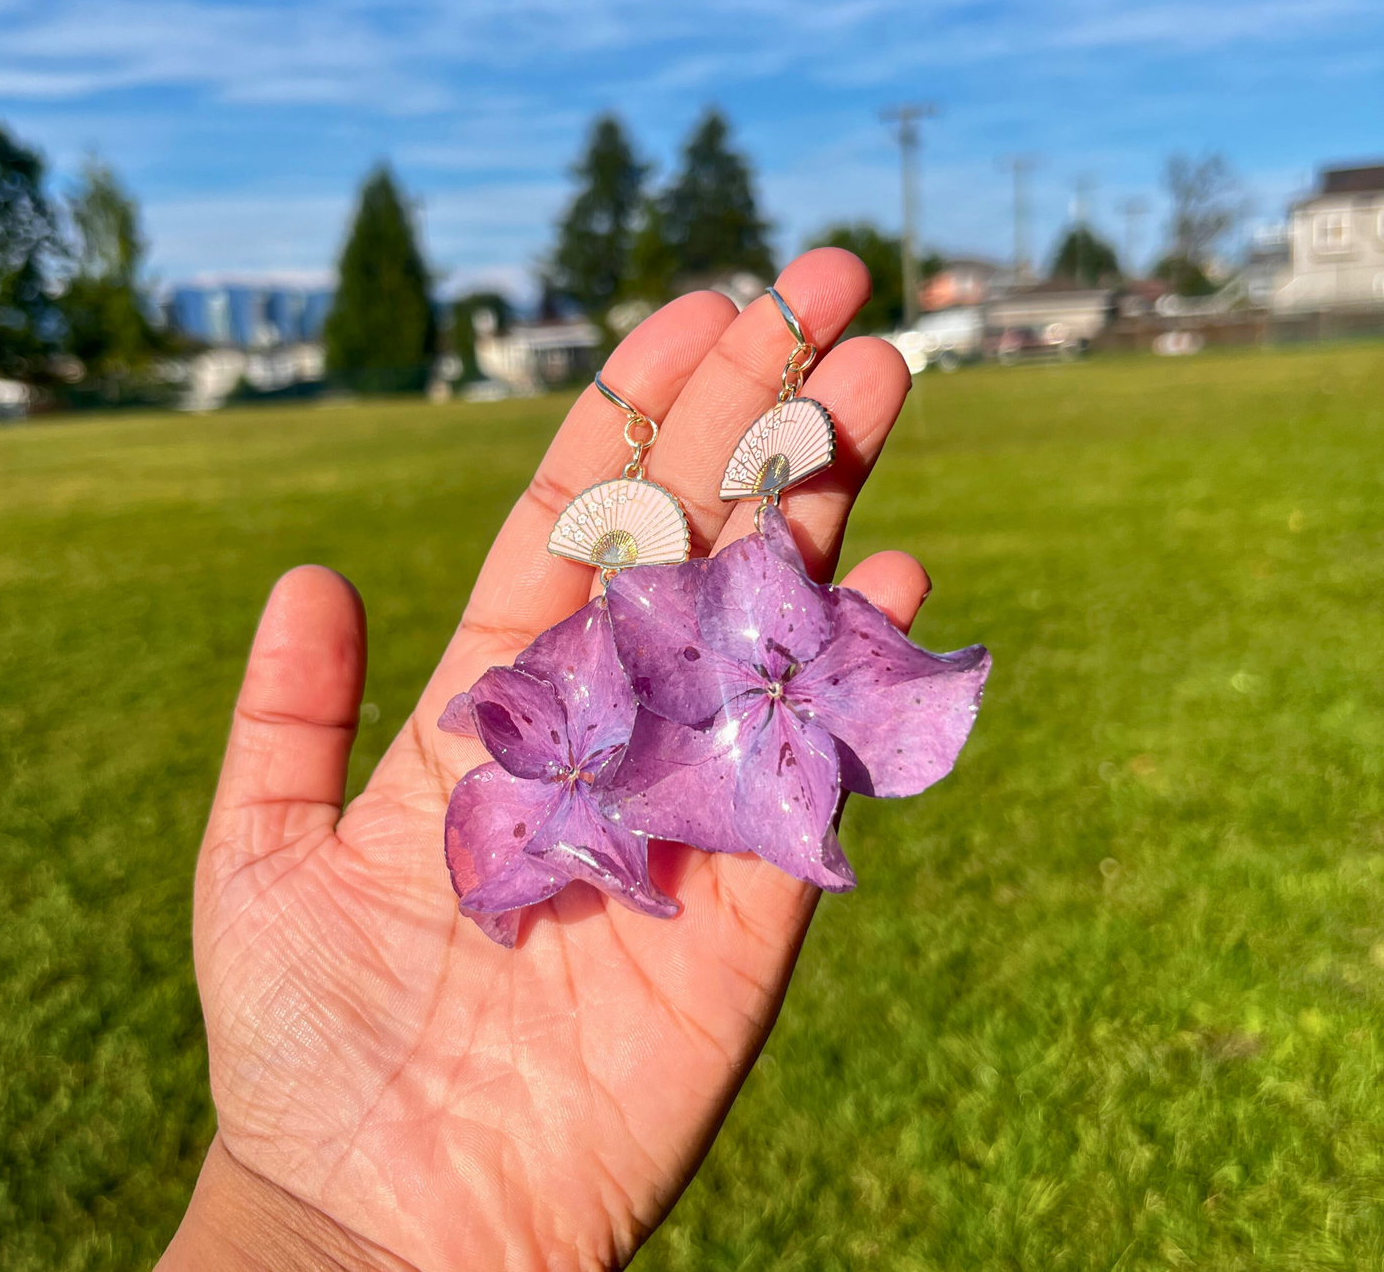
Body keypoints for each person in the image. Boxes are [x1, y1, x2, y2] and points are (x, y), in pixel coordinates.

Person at [157, 249, 931, 1270]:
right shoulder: (625, 707)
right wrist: (295, 1218)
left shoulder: (693, 664)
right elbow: (616, 690)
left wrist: (294, 1224)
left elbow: (678, 658)